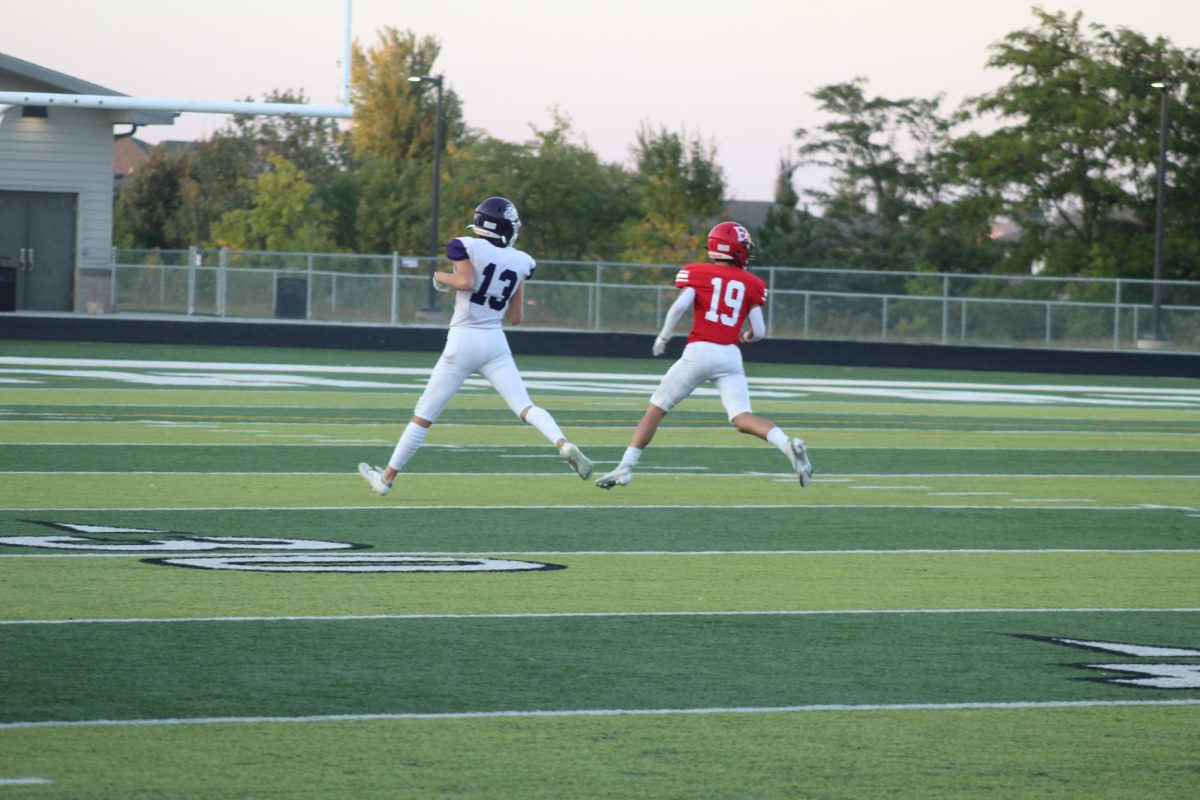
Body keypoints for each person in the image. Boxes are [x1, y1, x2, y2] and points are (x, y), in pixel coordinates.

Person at [358, 196, 592, 496]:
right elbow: (516, 317)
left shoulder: (465, 245)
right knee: (525, 406)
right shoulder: (522, 261)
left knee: (424, 415)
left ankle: (386, 478)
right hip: (495, 341)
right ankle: (563, 443)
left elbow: (466, 282)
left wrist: (439, 277)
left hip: (464, 339)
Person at [595, 221, 812, 489]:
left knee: (656, 410)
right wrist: (743, 337)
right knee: (742, 417)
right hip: (730, 356)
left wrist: (664, 336)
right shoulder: (752, 283)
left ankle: (625, 467)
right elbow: (759, 331)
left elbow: (679, 308)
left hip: (699, 352)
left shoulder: (696, 273)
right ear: (735, 250)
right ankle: (786, 443)